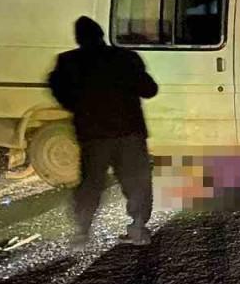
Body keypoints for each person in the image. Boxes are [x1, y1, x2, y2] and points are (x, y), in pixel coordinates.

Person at [49, 17, 159, 246]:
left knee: (91, 183)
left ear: (79, 38)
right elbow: (149, 90)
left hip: (93, 134)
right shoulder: (126, 57)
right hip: (129, 132)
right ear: (102, 35)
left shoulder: (68, 61)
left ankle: (82, 232)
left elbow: (62, 95)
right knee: (136, 182)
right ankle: (138, 229)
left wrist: (83, 107)